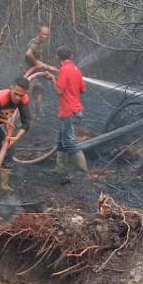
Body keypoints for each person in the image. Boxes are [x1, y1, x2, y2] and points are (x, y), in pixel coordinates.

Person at [53, 46, 88, 183]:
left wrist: (53, 80)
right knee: (62, 140)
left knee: (69, 142)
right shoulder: (76, 69)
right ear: (71, 56)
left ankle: (83, 171)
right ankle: (60, 169)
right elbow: (83, 90)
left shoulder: (63, 70)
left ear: (58, 57)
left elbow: (59, 91)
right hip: (77, 110)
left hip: (68, 111)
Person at [22, 26, 58, 113]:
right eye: (44, 34)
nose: (46, 37)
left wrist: (49, 68)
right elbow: (28, 54)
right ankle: (26, 116)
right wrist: (37, 63)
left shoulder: (40, 44)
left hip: (34, 72)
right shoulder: (35, 42)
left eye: (47, 35)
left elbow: (38, 62)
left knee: (39, 90)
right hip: (28, 73)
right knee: (28, 94)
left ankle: (39, 112)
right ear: (39, 33)